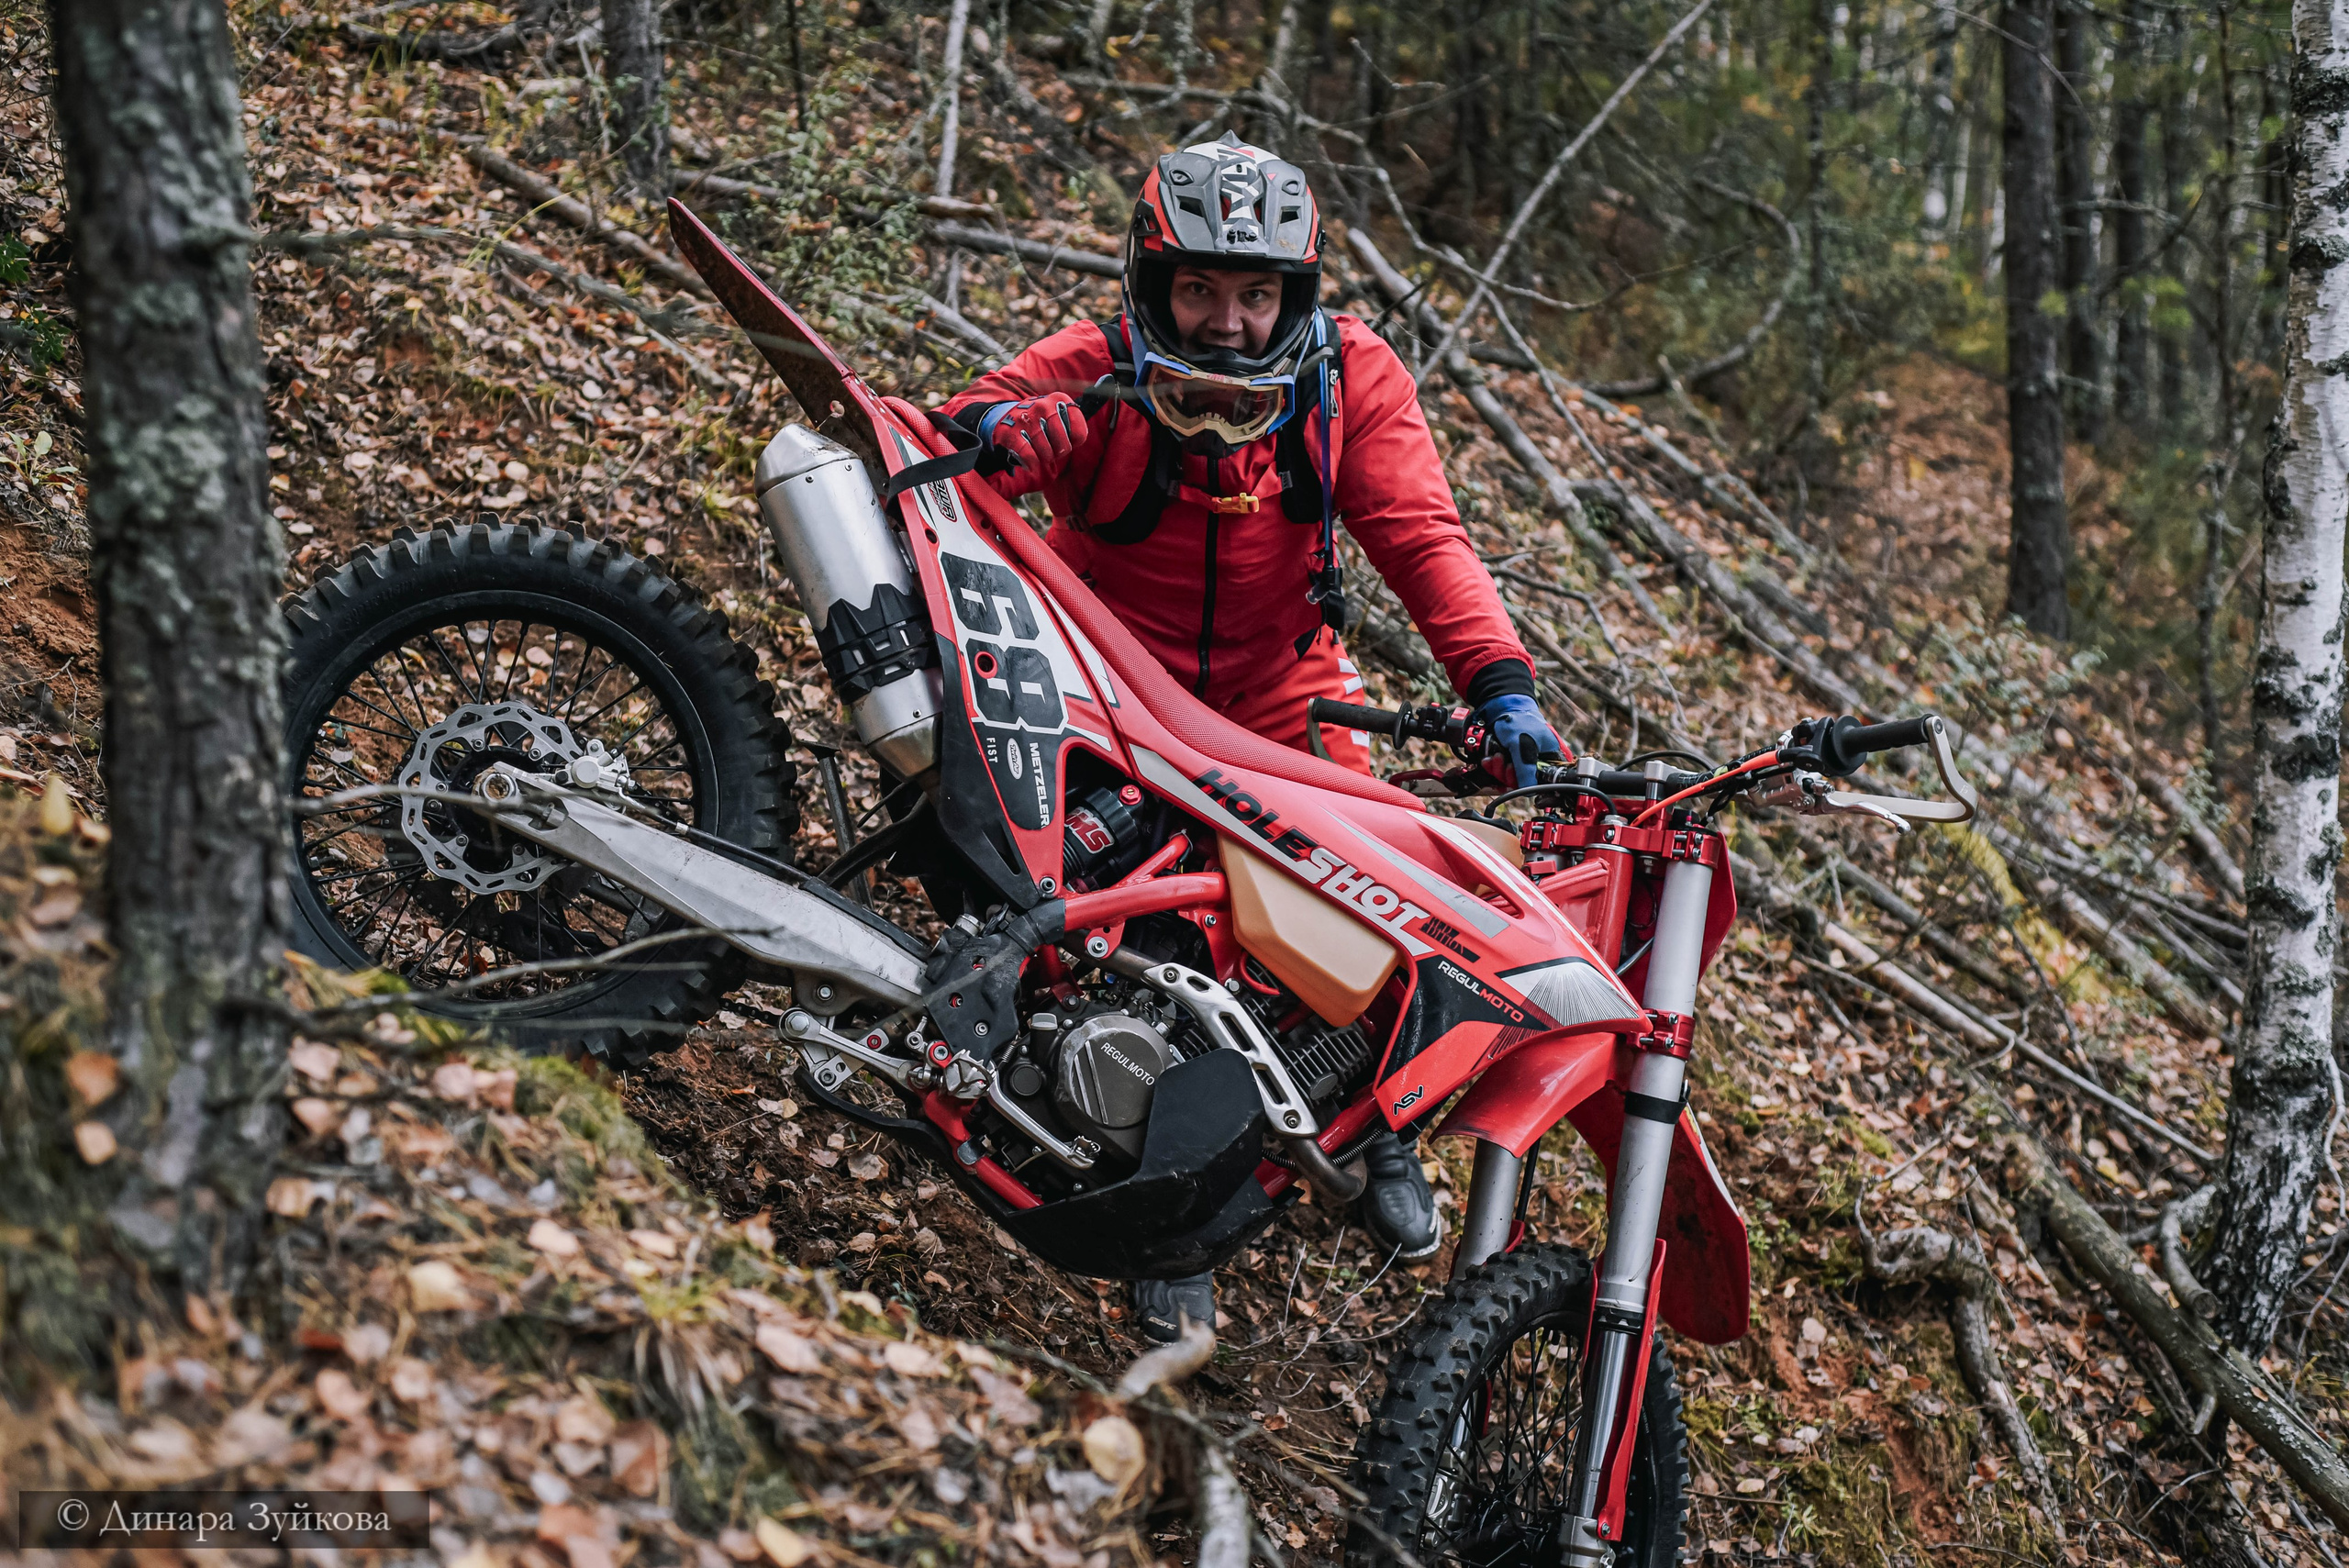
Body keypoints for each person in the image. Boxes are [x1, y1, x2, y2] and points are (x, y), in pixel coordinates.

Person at [943, 133, 1565, 1343]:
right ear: (1151, 280)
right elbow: (973, 424)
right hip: (1105, 683)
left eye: (1256, 293)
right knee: (1139, 939)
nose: (1227, 324)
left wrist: (1501, 685)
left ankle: (1383, 1129)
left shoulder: (1347, 381)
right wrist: (1025, 435)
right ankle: (1167, 1226)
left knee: (1396, 916)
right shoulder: (1109, 363)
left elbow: (1423, 535)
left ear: (1299, 293)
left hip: (1286, 701)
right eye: (1199, 289)